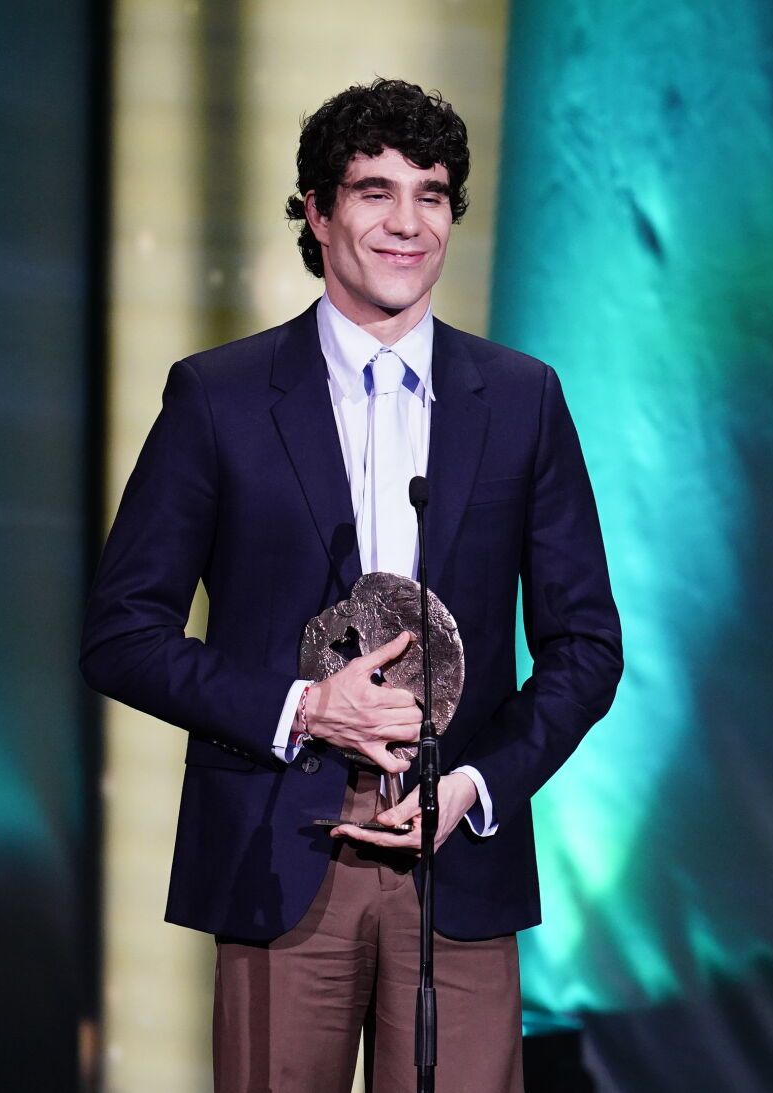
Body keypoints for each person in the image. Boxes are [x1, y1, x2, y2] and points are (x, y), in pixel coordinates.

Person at [82, 78, 623, 1092]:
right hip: (280, 848)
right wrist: (300, 708)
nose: (407, 221)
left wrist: (473, 786)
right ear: (316, 211)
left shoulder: (520, 399)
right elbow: (121, 629)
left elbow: (586, 645)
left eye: (432, 193)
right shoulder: (220, 396)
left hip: (455, 855)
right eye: (374, 191)